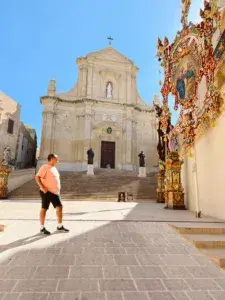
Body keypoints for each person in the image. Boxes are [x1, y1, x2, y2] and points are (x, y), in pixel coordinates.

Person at [35, 153, 69, 235]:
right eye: (56, 158)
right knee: (44, 208)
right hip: (47, 192)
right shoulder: (44, 167)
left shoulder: (54, 168)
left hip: (55, 192)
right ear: (51, 159)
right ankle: (42, 227)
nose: (58, 160)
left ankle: (59, 226)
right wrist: (43, 187)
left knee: (60, 207)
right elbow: (37, 177)